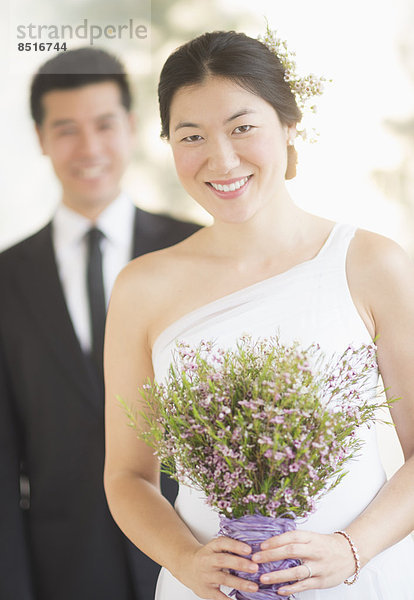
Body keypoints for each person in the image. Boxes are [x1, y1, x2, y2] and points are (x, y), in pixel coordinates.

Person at [103, 30, 414, 599]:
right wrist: (187, 561)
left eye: (243, 127)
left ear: (289, 125)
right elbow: (127, 476)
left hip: (357, 580)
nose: (221, 159)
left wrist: (350, 549)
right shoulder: (141, 287)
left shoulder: (371, 264)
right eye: (191, 135)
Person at [0, 47, 199, 600]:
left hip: (195, 556)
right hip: (65, 568)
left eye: (104, 125)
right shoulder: (6, 279)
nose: (89, 149)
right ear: (40, 137)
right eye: (66, 129)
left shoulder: (198, 250)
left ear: (132, 128)